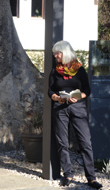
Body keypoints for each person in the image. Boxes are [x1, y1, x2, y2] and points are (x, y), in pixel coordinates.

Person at [48, 41, 102, 189]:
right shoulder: (54, 71)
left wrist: (79, 96)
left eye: (57, 53)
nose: (55, 55)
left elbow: (87, 91)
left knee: (85, 143)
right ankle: (68, 174)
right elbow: (50, 91)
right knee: (62, 143)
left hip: (78, 107)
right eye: (54, 53)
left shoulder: (79, 70)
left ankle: (91, 178)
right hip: (60, 108)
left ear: (65, 53)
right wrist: (57, 98)